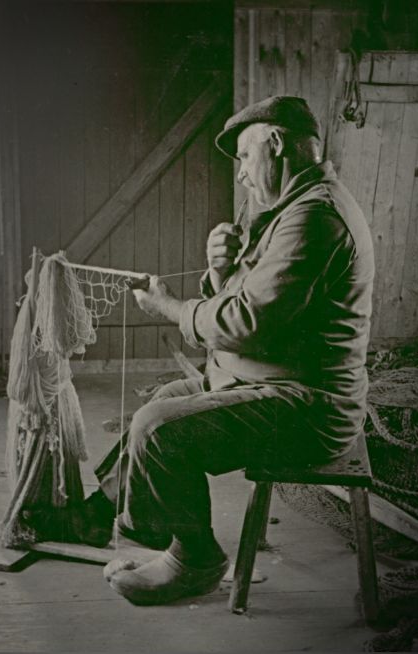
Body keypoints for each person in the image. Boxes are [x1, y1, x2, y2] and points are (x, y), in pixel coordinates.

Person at [78, 95, 375, 606]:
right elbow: (256, 305)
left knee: (158, 426)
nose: (240, 174)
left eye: (242, 157)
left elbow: (245, 323)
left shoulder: (314, 217)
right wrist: (220, 271)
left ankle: (193, 556)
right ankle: (99, 516)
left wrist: (170, 308)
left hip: (309, 408)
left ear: (275, 144)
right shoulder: (291, 211)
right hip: (271, 385)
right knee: (165, 397)